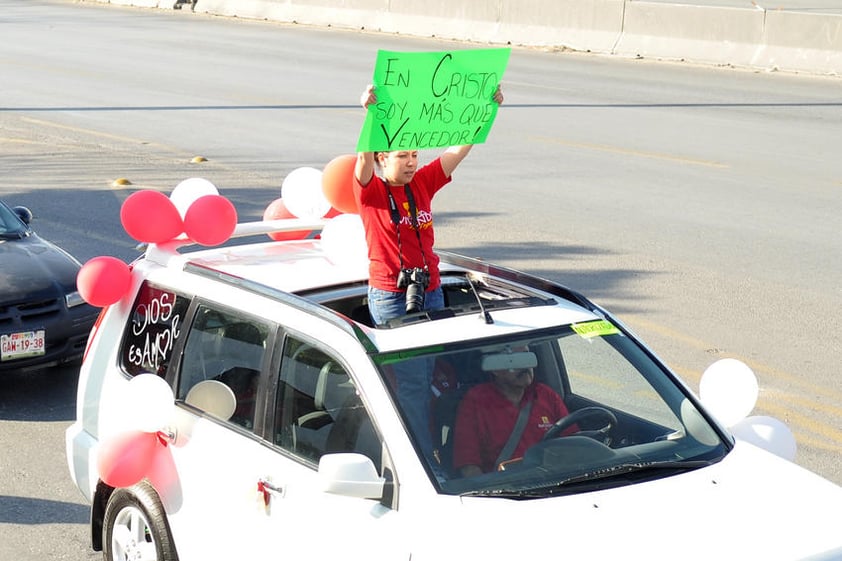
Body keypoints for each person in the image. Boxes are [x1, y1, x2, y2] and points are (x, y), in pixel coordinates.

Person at [353, 83, 503, 475]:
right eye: (403, 155)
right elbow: (361, 165)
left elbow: (456, 152)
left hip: (431, 290)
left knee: (435, 376)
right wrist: (370, 114)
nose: (411, 163)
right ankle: (419, 463)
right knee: (413, 384)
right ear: (383, 157)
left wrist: (486, 110)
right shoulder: (370, 192)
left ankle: (431, 446)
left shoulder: (423, 183)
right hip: (391, 295)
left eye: (415, 155)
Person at [452, 353, 572, 478]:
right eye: (514, 359)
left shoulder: (546, 395)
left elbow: (574, 445)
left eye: (527, 357)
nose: (525, 365)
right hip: (507, 486)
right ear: (495, 369)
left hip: (554, 480)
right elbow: (469, 467)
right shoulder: (475, 401)